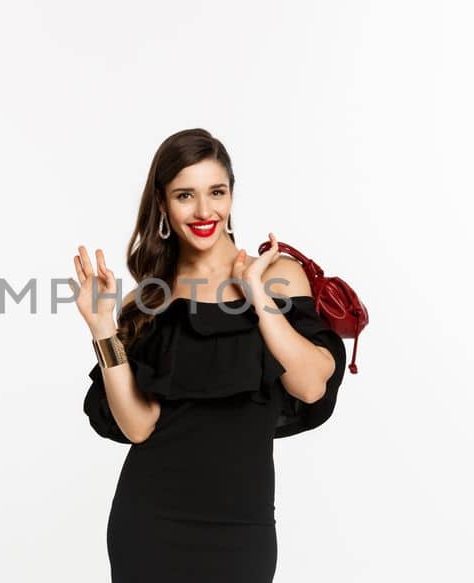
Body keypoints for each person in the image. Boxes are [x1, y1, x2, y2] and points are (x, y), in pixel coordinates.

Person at [71, 128, 349, 582]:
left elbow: (310, 383)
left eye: (216, 192)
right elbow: (138, 426)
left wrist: (256, 295)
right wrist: (103, 329)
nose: (204, 211)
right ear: (162, 203)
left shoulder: (276, 274)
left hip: (241, 529)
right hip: (149, 523)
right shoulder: (147, 301)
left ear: (232, 196)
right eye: (185, 195)